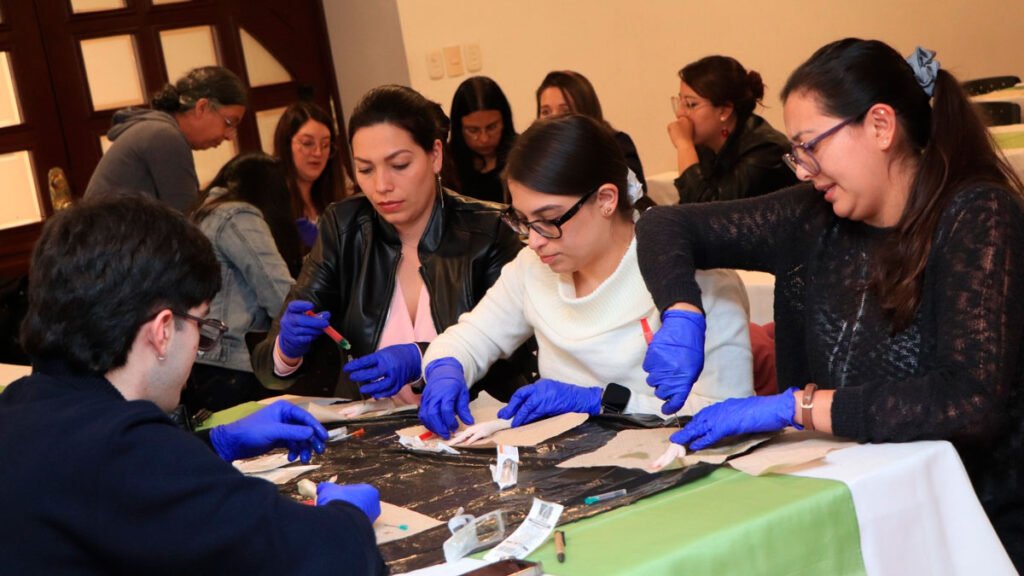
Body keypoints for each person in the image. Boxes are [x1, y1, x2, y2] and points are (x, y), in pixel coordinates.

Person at [635, 39, 1024, 569]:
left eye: (810, 145)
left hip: (968, 521)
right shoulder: (812, 215)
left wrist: (798, 407)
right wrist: (682, 310)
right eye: (796, 153)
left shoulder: (977, 213)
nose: (803, 169)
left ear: (881, 127)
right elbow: (665, 225)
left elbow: (966, 401)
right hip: (848, 500)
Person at [0, 196, 386, 574]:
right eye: (201, 325)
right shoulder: (128, 450)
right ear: (163, 330)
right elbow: (327, 556)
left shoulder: (19, 405)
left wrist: (213, 443)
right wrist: (349, 514)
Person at [418, 114, 753, 439]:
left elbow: (727, 411)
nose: (534, 240)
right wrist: (445, 368)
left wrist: (600, 402)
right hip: (567, 471)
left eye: (548, 219)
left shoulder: (691, 279)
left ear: (606, 200)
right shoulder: (532, 268)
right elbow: (472, 338)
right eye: (521, 219)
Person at [252, 85, 532, 404]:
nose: (381, 186)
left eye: (399, 165)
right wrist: (286, 351)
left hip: (473, 425)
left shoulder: (489, 230)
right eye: (365, 169)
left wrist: (424, 358)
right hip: (375, 429)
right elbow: (266, 363)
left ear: (435, 155)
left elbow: (518, 351)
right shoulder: (344, 229)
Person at [185, 153, 302, 413]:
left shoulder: (203, 212)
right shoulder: (239, 215)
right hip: (233, 364)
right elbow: (279, 293)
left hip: (199, 357)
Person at [84, 66, 247, 213]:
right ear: (201, 107)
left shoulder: (157, 130)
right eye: (229, 123)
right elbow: (186, 221)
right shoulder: (165, 136)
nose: (229, 136)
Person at [669, 55, 795, 204]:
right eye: (680, 102)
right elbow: (684, 212)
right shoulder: (706, 147)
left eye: (690, 104)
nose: (680, 113)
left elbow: (711, 213)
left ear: (724, 111)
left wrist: (684, 145)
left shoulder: (765, 150)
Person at [536, 70, 648, 194]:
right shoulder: (537, 155)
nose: (553, 119)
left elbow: (635, 199)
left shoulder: (617, 145)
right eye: (546, 112)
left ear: (585, 110)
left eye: (565, 111)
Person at [273, 101, 344, 249]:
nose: (318, 153)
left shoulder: (334, 201)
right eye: (307, 143)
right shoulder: (274, 204)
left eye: (325, 145)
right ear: (286, 145)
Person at [448, 76, 517, 203]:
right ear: (459, 129)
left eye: (492, 127)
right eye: (473, 130)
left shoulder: (522, 154)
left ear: (504, 122)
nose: (484, 139)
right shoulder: (447, 165)